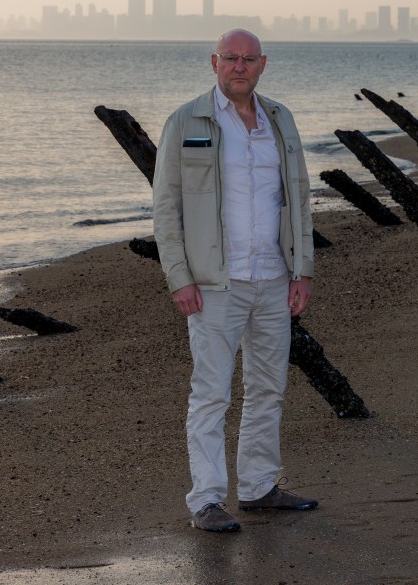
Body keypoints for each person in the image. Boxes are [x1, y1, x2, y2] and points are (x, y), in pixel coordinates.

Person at [152, 29, 317, 533]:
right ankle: (205, 500)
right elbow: (166, 206)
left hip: (273, 276)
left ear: (263, 64)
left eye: (248, 59)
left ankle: (259, 487)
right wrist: (179, 277)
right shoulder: (186, 121)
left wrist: (302, 269)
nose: (239, 67)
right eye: (230, 58)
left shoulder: (281, 119)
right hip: (213, 283)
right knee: (211, 393)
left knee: (269, 387)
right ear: (214, 62)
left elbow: (300, 199)